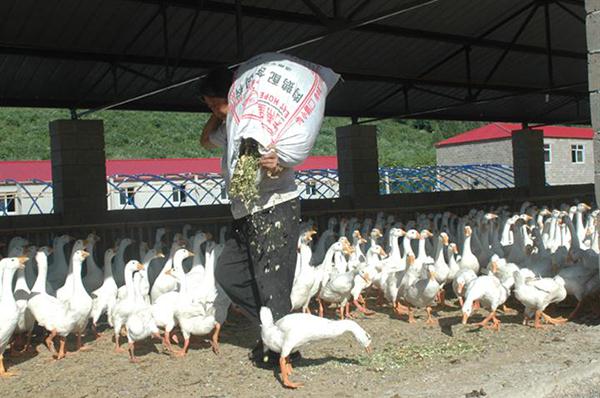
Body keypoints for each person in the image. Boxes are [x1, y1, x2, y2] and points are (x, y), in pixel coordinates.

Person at [198, 67, 301, 365]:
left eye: (210, 101)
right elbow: (205, 141)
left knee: (272, 282)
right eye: (206, 104)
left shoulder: (264, 118)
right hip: (245, 211)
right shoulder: (231, 124)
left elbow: (285, 158)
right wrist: (218, 113)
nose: (209, 108)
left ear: (226, 95)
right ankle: (274, 330)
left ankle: (286, 351)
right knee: (229, 273)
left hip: (275, 206)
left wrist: (276, 163)